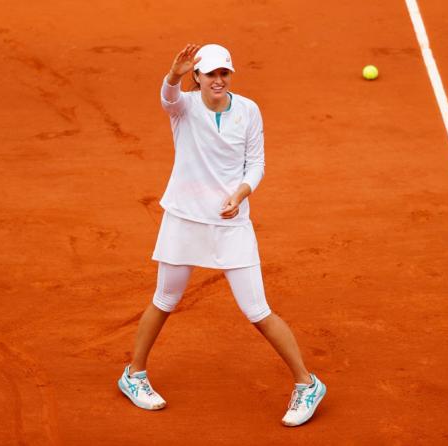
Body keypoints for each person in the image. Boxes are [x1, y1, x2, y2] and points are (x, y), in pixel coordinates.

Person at [117, 43, 326, 427]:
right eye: (210, 74)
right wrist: (173, 75)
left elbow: (257, 162)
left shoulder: (248, 110)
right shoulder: (184, 106)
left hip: (231, 224)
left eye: (223, 74)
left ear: (230, 76)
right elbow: (167, 99)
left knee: (257, 311)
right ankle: (134, 375)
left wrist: (241, 193)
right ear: (197, 77)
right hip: (184, 218)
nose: (218, 80)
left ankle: (308, 383)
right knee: (164, 299)